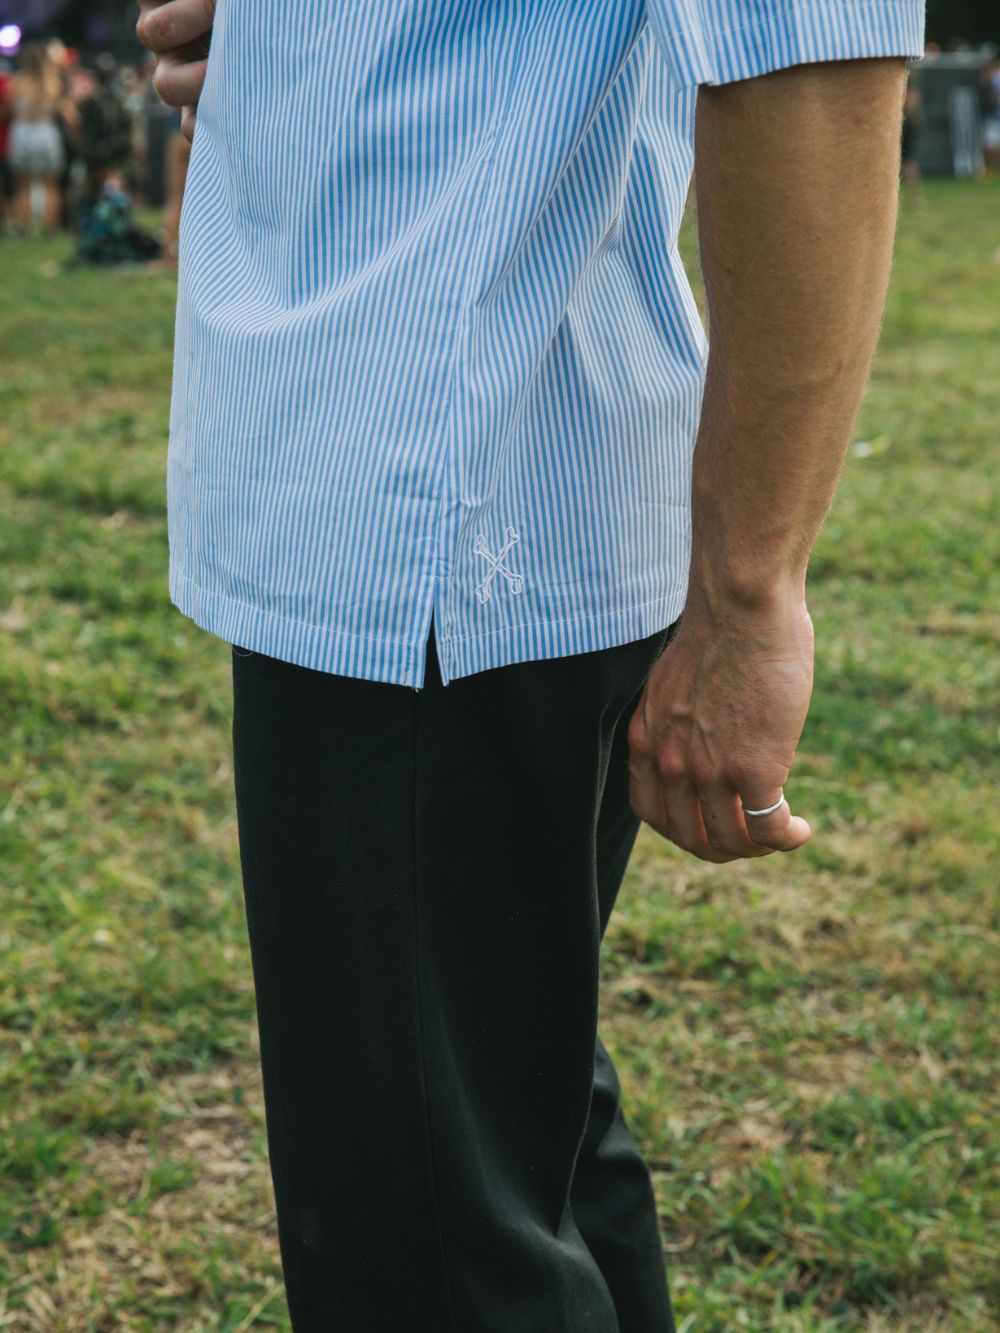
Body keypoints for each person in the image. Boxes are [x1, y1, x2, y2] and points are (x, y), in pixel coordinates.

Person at [137, 2, 925, 1329]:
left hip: (452, 503)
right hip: (410, 473)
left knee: (434, 1242)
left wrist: (747, 597)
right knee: (507, 1120)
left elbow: (818, 48)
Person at [8, 41, 65, 234]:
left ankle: (23, 225)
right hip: (45, 132)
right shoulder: (51, 82)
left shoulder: (17, 82)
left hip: (22, 132)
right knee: (50, 183)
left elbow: (9, 109)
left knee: (22, 184)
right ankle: (50, 226)